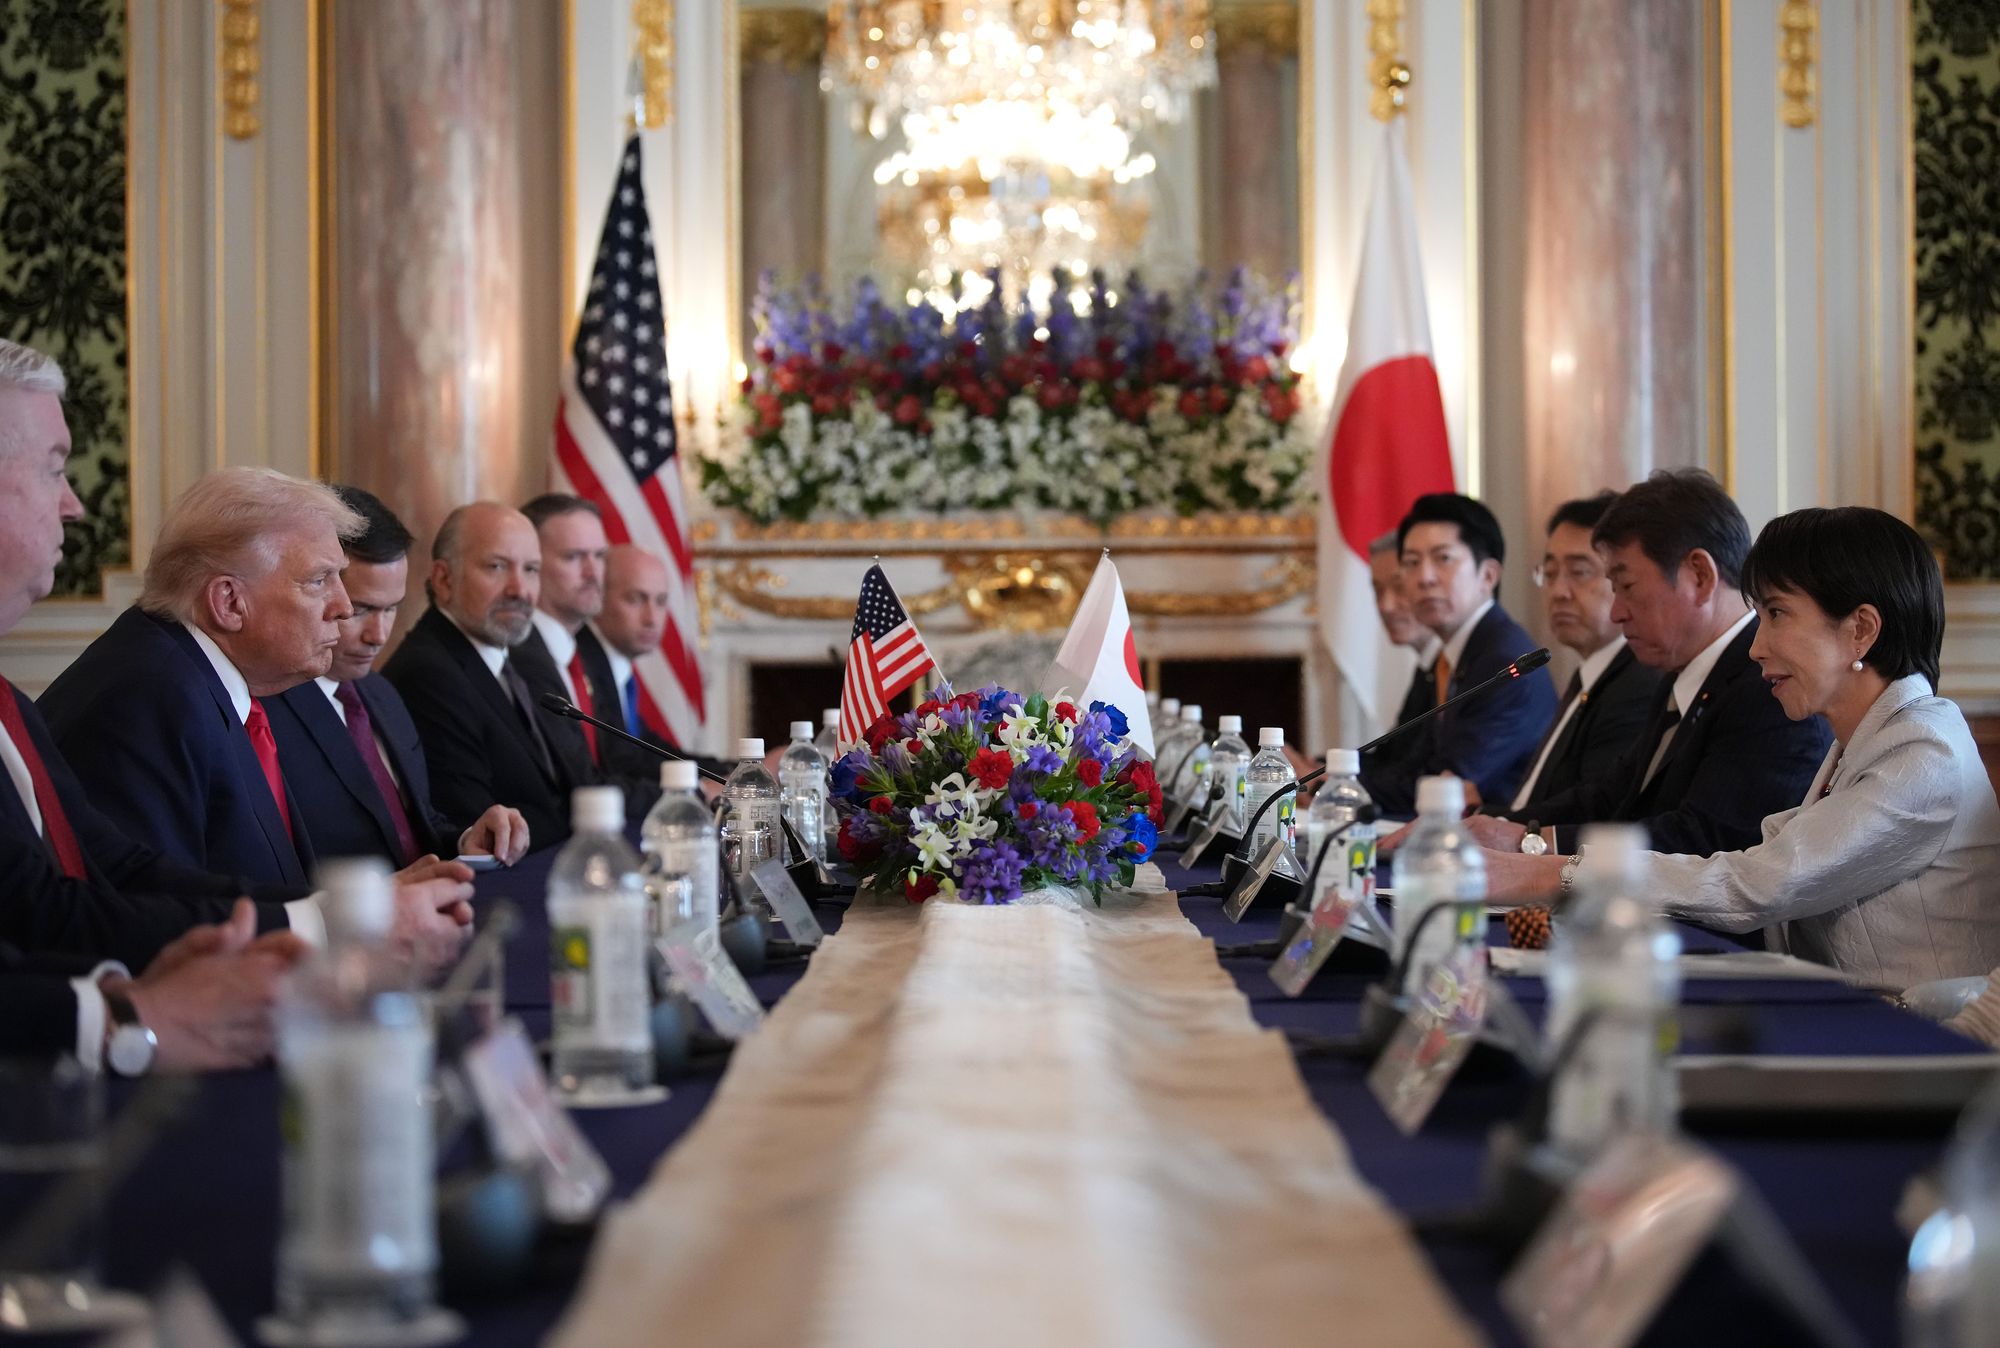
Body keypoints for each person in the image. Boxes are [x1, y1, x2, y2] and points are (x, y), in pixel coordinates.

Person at [0, 339, 465, 1064]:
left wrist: (339, 915)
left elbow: (116, 874)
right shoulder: (149, 695)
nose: (76, 504)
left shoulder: (170, 685)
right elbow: (62, 916)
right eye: (55, 469)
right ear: (229, 601)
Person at [1486, 507, 2000, 990]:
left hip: (1926, 1052)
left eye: (1777, 613)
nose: (1756, 646)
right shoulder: (1866, 741)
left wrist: (1550, 872)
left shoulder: (1925, 750)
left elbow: (1762, 883)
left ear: (1860, 629)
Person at [1467, 470, 1832, 857]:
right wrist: (1502, 825)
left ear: (1700, 576)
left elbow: (1704, 841)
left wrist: (1533, 843)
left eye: (1626, 586)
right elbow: (1611, 797)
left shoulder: (1769, 687)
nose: (1618, 611)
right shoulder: (1682, 674)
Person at [267, 487, 530, 869]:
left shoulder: (380, 693)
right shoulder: (268, 707)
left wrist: (466, 839)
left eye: (391, 609)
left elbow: (413, 827)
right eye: (360, 610)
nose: (379, 634)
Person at [383, 501, 589, 847]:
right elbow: (477, 823)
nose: (520, 590)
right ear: (444, 579)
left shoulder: (520, 658)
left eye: (531, 570)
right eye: (497, 567)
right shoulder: (428, 675)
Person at [1359, 493, 1557, 815]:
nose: (1424, 577)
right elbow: (1400, 758)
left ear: (1488, 576)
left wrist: (1335, 785)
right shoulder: (1450, 657)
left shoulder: (1505, 661)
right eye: (1411, 563)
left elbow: (1446, 786)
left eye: (1443, 559)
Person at [1506, 492, 1663, 811]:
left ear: (1621, 577)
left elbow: (1594, 812)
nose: (1559, 592)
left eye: (1579, 572)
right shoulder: (1589, 676)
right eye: (1549, 574)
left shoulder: (1638, 684)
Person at [515, 494, 660, 812]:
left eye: (599, 556)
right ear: (532, 566)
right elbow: (580, 785)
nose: (594, 573)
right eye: (573, 557)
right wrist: (685, 794)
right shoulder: (522, 655)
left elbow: (624, 756)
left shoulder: (578, 653)